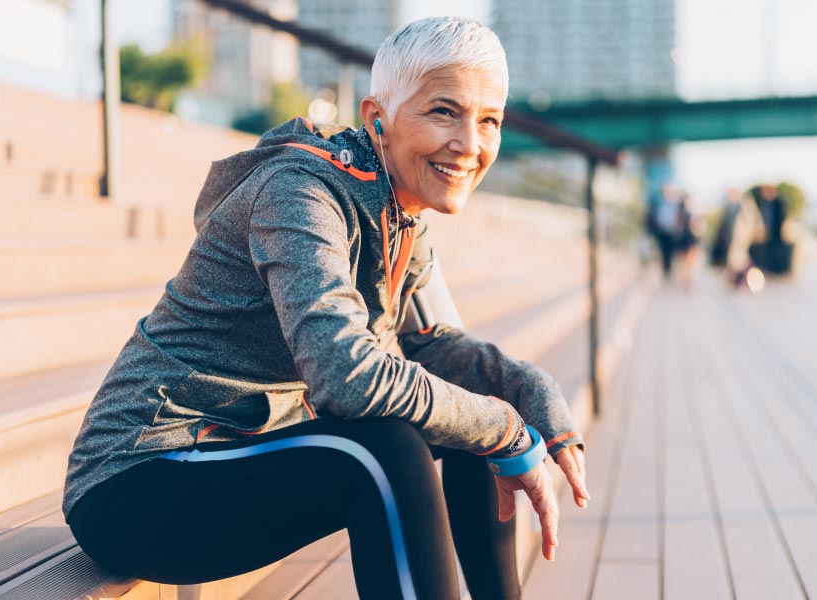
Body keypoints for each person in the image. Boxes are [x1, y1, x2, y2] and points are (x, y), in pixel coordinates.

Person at [62, 17, 588, 600]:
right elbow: (349, 379)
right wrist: (507, 431)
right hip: (142, 479)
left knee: (470, 421)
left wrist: (526, 394)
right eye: (444, 111)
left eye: (488, 120)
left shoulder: (401, 207)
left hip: (243, 448)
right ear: (376, 118)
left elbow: (432, 348)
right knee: (386, 447)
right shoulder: (301, 191)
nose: (469, 144)